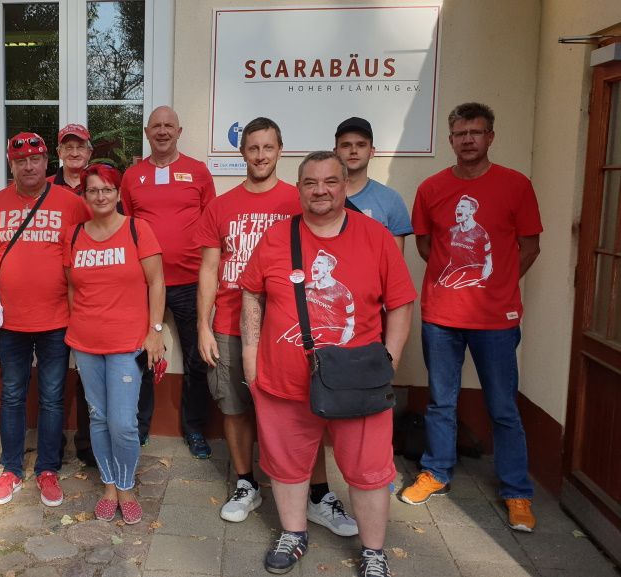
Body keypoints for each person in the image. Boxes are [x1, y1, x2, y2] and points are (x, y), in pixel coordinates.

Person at [240, 151, 415, 577]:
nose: (321, 190)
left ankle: (373, 551)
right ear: (299, 187)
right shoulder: (278, 237)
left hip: (358, 381)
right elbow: (251, 293)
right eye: (311, 182)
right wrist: (250, 358)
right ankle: (294, 533)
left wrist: (389, 359)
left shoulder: (375, 236)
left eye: (331, 182)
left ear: (344, 184)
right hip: (283, 379)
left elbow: (402, 302)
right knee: (286, 462)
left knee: (369, 469)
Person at [195, 117, 355, 534]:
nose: (261, 155)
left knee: (305, 411)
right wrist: (203, 325)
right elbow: (209, 269)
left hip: (288, 325)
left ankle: (318, 494)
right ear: (242, 153)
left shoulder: (298, 199)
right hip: (231, 321)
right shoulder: (221, 206)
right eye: (253, 148)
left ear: (280, 150)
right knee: (235, 407)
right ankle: (247, 484)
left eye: (268, 147)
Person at [402, 102, 543, 533]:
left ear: (490, 137)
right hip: (442, 315)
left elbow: (530, 246)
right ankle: (436, 472)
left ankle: (517, 491)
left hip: (497, 320)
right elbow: (427, 247)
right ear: (451, 140)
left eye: (476, 133)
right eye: (461, 134)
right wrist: (459, 284)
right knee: (441, 401)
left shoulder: (516, 186)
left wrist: (496, 283)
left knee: (502, 407)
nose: (468, 140)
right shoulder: (431, 188)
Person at [0, 132, 90, 507]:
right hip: (11, 323)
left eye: (35, 159)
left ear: (45, 161)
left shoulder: (71, 204)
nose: (29, 166)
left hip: (57, 319)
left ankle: (48, 469)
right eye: (21, 161)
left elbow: (89, 253)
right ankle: (10, 468)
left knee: (53, 398)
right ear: (11, 163)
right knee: (12, 395)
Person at [65, 164, 165, 524]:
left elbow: (157, 282)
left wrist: (155, 330)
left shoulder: (139, 230)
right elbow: (73, 285)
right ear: (85, 196)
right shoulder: (75, 235)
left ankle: (126, 486)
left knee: (123, 422)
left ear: (119, 194)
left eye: (107, 189)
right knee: (98, 416)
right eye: (93, 190)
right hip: (87, 342)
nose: (100, 196)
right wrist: (82, 323)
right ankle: (109, 486)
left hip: (128, 343)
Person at [120, 105, 216, 458]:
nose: (162, 131)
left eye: (169, 126)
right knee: (142, 358)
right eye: (156, 126)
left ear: (179, 131)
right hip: (145, 285)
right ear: (147, 132)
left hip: (192, 282)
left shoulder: (199, 172)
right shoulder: (132, 176)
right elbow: (126, 229)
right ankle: (140, 427)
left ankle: (194, 430)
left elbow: (212, 226)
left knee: (197, 359)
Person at [47, 123, 98, 468]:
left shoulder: (100, 186)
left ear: (90, 152)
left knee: (88, 373)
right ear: (59, 153)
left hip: (91, 290)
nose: (75, 152)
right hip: (51, 292)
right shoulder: (45, 186)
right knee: (52, 374)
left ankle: (87, 444)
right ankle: (52, 444)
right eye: (68, 147)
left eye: (80, 147)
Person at [332, 117, 412, 250]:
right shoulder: (323, 196)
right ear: (335, 152)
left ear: (372, 151)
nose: (353, 151)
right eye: (346, 145)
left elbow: (394, 262)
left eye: (361, 145)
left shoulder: (391, 200)